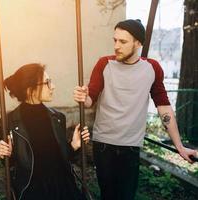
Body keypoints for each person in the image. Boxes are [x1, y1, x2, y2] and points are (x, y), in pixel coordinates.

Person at [73, 19, 198, 200]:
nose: (116, 46)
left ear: (138, 43)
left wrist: (179, 146)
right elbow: (90, 98)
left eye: (123, 42)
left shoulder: (152, 68)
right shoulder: (104, 64)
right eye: (115, 40)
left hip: (130, 147)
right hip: (103, 145)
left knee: (126, 196)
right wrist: (83, 96)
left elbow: (164, 108)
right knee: (108, 196)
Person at [0, 63, 90, 200]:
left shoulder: (57, 118)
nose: (53, 86)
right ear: (30, 90)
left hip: (63, 188)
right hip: (33, 191)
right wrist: (4, 154)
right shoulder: (8, 122)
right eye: (47, 82)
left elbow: (60, 159)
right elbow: (11, 165)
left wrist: (73, 146)